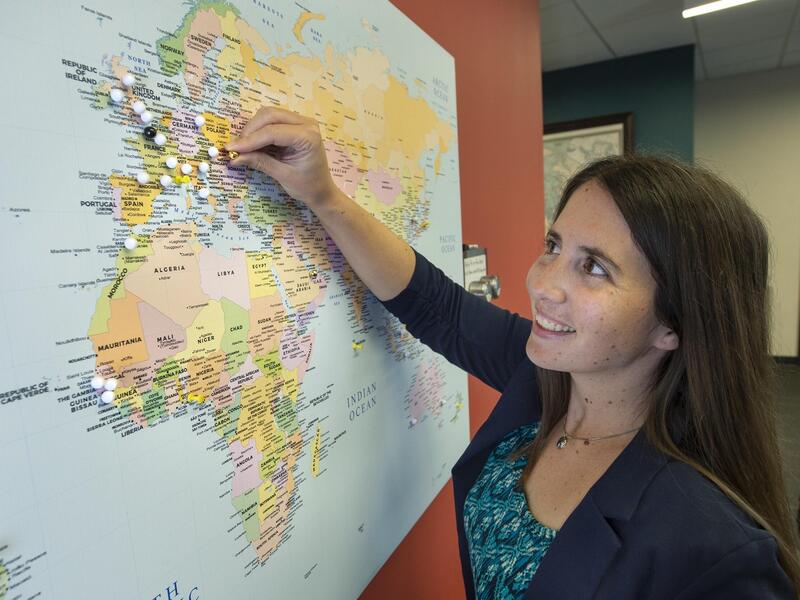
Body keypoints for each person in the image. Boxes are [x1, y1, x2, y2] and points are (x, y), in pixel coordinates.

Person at [225, 107, 800, 599]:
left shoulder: (718, 549)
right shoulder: (543, 380)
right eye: (554, 245)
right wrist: (321, 194)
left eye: (594, 268)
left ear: (674, 325)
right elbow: (436, 306)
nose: (542, 282)